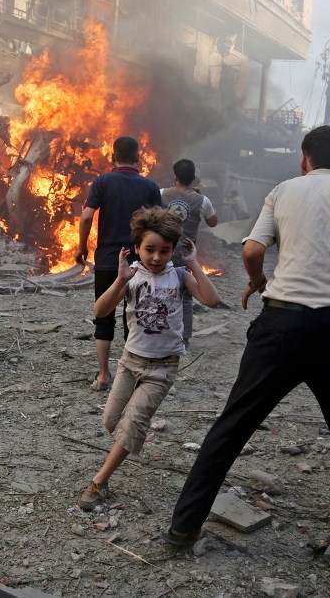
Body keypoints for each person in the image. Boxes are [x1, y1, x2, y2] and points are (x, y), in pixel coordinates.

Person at [162, 125, 330, 579]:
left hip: (282, 324)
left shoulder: (282, 191)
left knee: (232, 426)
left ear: (304, 159)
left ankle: (182, 529)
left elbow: (253, 248)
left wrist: (258, 281)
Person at [78, 207, 220, 511]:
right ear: (137, 247)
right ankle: (132, 433)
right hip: (130, 362)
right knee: (111, 421)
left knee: (131, 425)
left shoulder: (179, 276)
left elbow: (211, 299)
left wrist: (193, 264)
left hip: (163, 367)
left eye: (164, 251)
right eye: (149, 250)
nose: (156, 257)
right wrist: (118, 280)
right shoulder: (131, 278)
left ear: (173, 251)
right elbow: (100, 311)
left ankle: (99, 482)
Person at [75, 136, 162, 391]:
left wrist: (82, 247)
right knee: (133, 318)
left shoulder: (102, 181)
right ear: (138, 157)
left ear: (112, 157)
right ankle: (132, 376)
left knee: (104, 317)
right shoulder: (150, 186)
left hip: (107, 259)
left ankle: (103, 376)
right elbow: (160, 223)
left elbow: (87, 215)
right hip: (139, 263)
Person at [161, 158, 218, 348]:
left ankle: (159, 331)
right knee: (185, 295)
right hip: (185, 252)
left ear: (175, 176)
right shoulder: (202, 200)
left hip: (163, 250)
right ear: (194, 178)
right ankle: (184, 338)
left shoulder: (161, 194)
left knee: (159, 288)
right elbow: (213, 222)